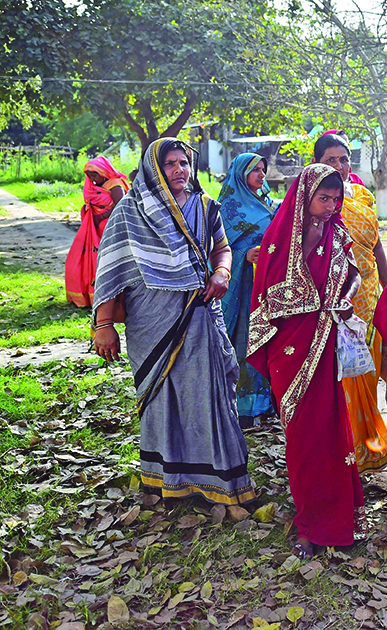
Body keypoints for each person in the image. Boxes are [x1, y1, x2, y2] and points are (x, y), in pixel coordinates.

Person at [92, 138, 255, 506]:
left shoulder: (206, 207)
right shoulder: (128, 214)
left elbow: (222, 248)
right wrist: (104, 324)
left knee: (208, 394)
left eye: (184, 162)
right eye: (170, 164)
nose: (180, 170)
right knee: (164, 398)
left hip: (200, 315)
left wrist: (222, 274)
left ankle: (220, 479)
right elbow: (111, 270)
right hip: (151, 322)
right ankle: (167, 478)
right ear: (153, 169)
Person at [247, 163, 365, 558]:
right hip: (291, 350)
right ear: (305, 196)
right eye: (324, 198)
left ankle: (338, 519)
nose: (331, 206)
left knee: (333, 435)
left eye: (336, 199)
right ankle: (309, 524)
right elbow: (268, 296)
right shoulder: (281, 238)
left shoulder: (338, 233)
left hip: (326, 346)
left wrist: (343, 299)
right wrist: (317, 302)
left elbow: (353, 275)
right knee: (302, 440)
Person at [314, 132, 387, 473]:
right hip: (335, 300)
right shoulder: (313, 198)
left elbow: (376, 245)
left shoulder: (362, 194)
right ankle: (343, 450)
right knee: (341, 373)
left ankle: (368, 444)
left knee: (366, 369)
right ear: (317, 162)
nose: (339, 165)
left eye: (344, 159)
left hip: (369, 296)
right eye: (330, 159)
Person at [218, 152, 277, 429]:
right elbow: (217, 249)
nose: (261, 175)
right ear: (240, 173)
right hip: (243, 288)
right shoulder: (227, 208)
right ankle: (242, 406)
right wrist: (244, 254)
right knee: (244, 339)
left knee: (269, 338)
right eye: (255, 170)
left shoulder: (269, 204)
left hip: (269, 282)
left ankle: (266, 402)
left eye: (263, 170)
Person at [65, 156, 130, 307]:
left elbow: (121, 206)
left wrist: (101, 216)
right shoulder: (101, 185)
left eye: (94, 175)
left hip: (110, 228)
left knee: (105, 260)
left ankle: (110, 299)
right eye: (89, 176)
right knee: (79, 260)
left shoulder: (115, 184)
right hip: (95, 228)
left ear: (104, 172)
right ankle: (88, 296)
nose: (92, 179)